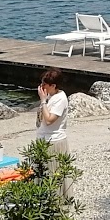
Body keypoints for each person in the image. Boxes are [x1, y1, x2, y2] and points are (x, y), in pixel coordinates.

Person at [36, 67, 73, 200]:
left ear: (53, 85)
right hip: (43, 137)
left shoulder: (60, 99)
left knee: (53, 172)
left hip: (54, 139)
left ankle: (56, 200)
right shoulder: (51, 96)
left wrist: (43, 101)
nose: (41, 86)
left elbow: (50, 119)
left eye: (44, 84)